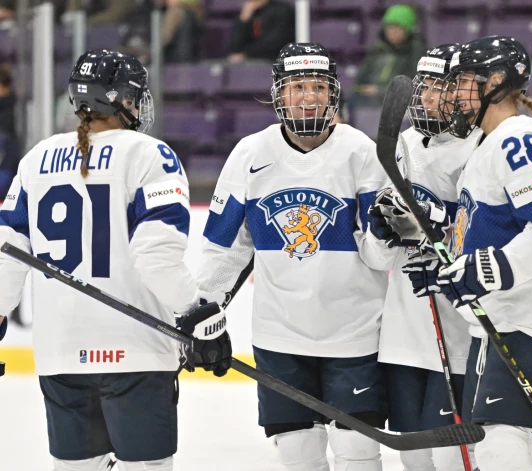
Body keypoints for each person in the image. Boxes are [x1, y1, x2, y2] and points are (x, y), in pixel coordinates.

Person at [0, 49, 231, 471]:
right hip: (135, 351)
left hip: (61, 352)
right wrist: (194, 313)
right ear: (122, 99)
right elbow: (156, 256)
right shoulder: (149, 155)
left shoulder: (36, 159)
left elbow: (7, 254)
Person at [393, 36, 532, 471]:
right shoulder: (486, 146)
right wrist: (446, 270)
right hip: (503, 319)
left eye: (464, 81)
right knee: (496, 442)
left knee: (501, 441)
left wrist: (486, 268)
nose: (455, 91)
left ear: (496, 83)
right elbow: (481, 232)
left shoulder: (520, 139)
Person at [197, 42, 390, 471]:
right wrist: (204, 310)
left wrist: (388, 230)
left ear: (334, 93)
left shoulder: (361, 151)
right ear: (278, 95)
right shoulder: (249, 154)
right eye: (297, 87)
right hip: (279, 335)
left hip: (355, 332)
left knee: (359, 454)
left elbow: (380, 258)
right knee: (299, 457)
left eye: (318, 87)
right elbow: (225, 248)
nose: (308, 96)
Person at [366, 44, 481, 471]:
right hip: (402, 333)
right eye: (426, 87)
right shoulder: (403, 144)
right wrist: (382, 232)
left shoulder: (480, 147)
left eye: (442, 88)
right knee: (414, 459)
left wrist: (438, 222)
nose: (430, 99)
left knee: (452, 458)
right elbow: (375, 258)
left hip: (456, 332)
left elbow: (483, 238)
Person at [354, 4, 427, 104]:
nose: (392, 31)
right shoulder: (377, 50)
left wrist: (380, 91)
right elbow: (359, 80)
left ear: (408, 29)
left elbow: (413, 85)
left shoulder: (417, 52)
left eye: (397, 27)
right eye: (389, 26)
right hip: (368, 104)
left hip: (399, 105)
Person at [228, 0, 295, 63]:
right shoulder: (248, 13)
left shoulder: (282, 11)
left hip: (277, 62)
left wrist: (246, 54)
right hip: (250, 62)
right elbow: (235, 47)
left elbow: (274, 43)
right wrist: (243, 21)